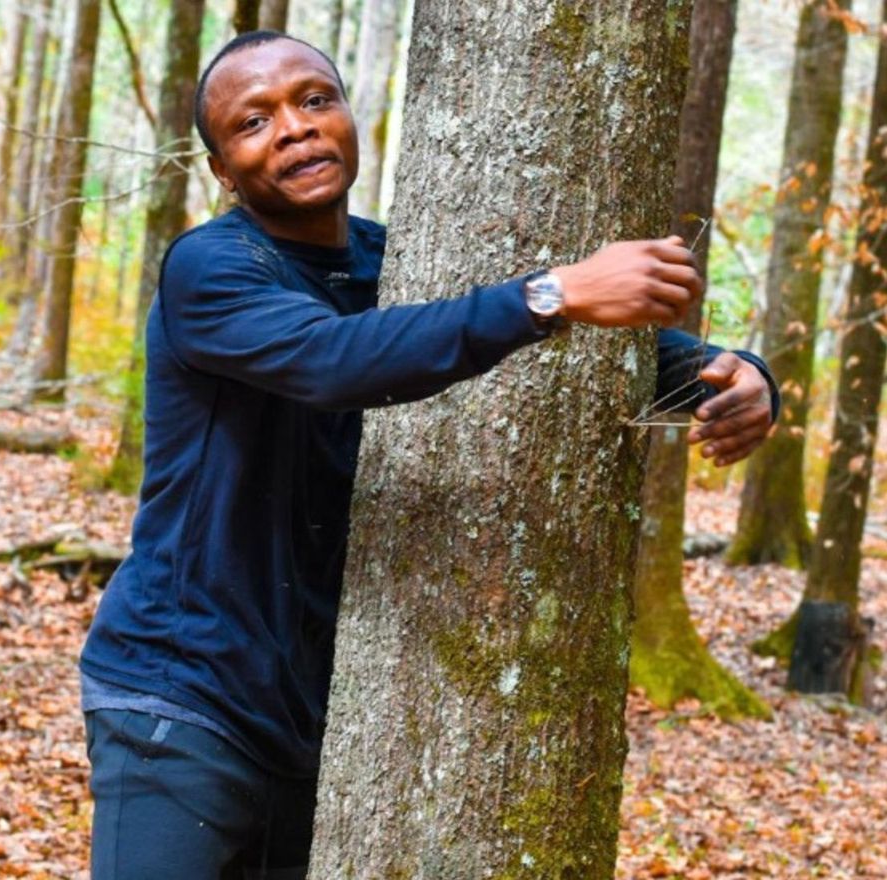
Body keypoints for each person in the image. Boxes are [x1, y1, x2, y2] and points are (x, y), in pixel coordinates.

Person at [79, 30, 779, 880]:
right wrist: (552, 292)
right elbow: (340, 360)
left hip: (318, 720)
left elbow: (560, 335)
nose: (295, 129)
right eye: (253, 122)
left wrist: (739, 376)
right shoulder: (212, 268)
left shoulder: (396, 258)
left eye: (313, 100)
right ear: (224, 170)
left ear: (347, 116)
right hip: (180, 702)